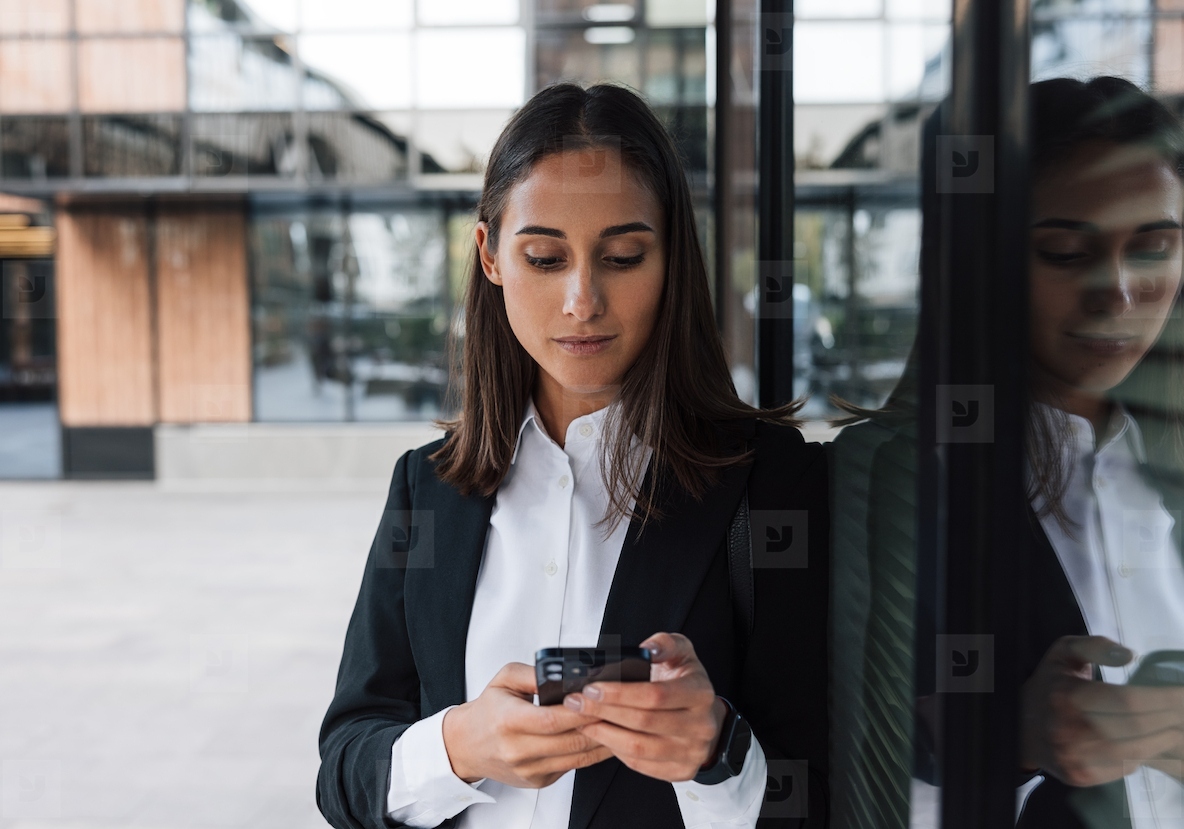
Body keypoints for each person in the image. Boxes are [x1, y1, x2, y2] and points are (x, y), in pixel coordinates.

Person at [315, 82, 830, 829]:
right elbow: (344, 771)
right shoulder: (425, 488)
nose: (582, 299)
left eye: (622, 256)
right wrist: (459, 745)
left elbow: (826, 791)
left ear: (671, 259)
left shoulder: (772, 483)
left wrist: (715, 753)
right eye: (545, 257)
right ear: (491, 256)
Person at [837, 76, 1184, 829]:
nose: (1118, 294)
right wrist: (1008, 740)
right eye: (1064, 252)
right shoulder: (890, 483)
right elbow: (843, 775)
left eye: (1153, 248)